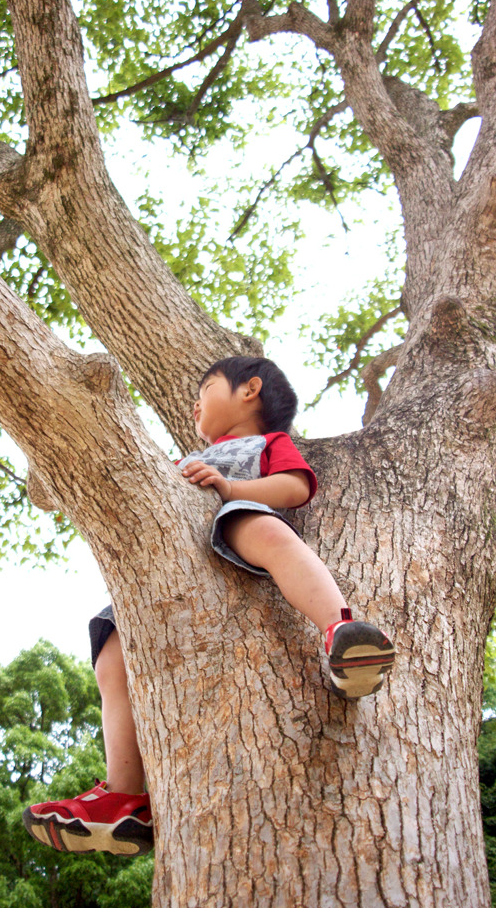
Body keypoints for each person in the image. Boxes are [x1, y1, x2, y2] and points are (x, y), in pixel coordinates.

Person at [22, 356, 395, 856]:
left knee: (265, 529)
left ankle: (343, 633)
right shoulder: (184, 457)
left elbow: (294, 487)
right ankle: (126, 797)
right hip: (164, 562)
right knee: (111, 655)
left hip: (233, 520)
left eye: (208, 387)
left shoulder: (265, 444)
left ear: (250, 390)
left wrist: (230, 487)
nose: (195, 401)